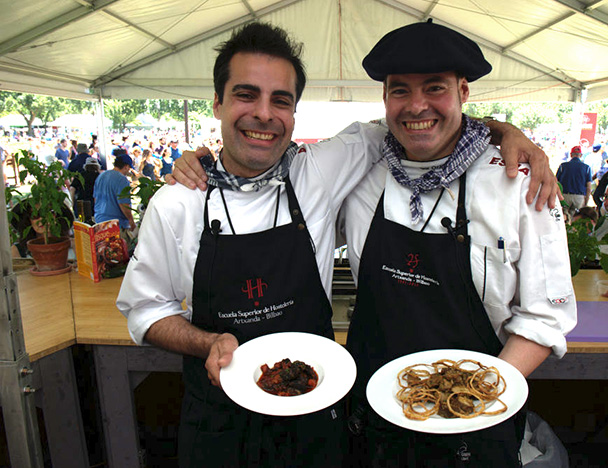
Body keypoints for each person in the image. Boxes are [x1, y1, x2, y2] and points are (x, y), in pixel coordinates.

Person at [129, 21, 560, 468]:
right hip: (225, 424)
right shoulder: (176, 202)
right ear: (217, 103)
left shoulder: (322, 171)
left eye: (281, 100)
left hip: (346, 420)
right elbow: (145, 310)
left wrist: (508, 131)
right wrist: (206, 343)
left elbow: (433, 124)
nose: (263, 113)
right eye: (244, 94)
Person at [334, 21, 575, 467]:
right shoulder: (360, 167)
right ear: (385, 98)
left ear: (464, 91)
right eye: (400, 90)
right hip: (370, 418)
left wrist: (471, 398)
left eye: (435, 88)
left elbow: (545, 317)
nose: (416, 106)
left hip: (476, 421)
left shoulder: (519, 182)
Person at [94, 154, 135, 237]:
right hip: (115, 224)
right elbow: (123, 204)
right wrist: (131, 220)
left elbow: (95, 198)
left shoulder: (101, 176)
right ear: (126, 166)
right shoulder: (122, 180)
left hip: (99, 220)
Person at [557, 145, 592, 218]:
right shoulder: (586, 167)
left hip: (565, 196)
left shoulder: (563, 166)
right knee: (576, 219)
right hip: (579, 197)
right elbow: (588, 186)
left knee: (563, 218)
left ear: (570, 155)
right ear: (581, 155)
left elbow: (556, 182)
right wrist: (586, 200)